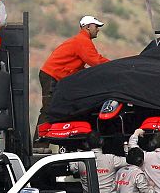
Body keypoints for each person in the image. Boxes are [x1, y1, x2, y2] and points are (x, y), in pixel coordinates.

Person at [34, 15, 109, 150]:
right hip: (52, 76)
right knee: (48, 110)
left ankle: (54, 142)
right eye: (96, 26)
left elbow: (81, 68)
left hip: (53, 76)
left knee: (57, 109)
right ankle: (39, 146)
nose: (98, 30)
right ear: (87, 27)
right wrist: (115, 66)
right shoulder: (83, 41)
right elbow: (95, 61)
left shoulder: (80, 41)